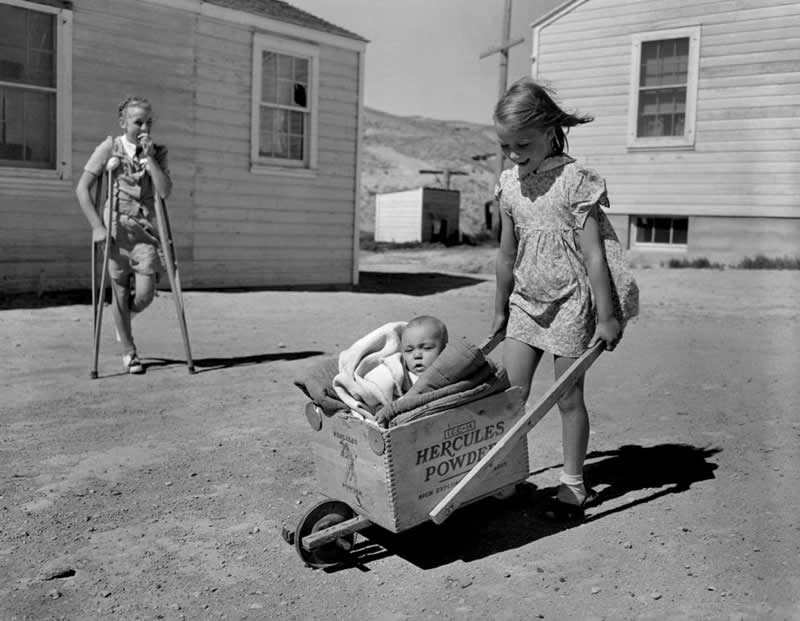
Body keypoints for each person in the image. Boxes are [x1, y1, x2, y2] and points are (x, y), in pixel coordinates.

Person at [490, 77, 639, 521]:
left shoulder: (575, 181)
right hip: (526, 304)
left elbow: (594, 255)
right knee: (509, 396)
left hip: (572, 305)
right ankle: (508, 475)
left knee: (567, 398)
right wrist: (500, 307)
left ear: (551, 130)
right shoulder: (509, 186)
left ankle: (573, 483)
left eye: (524, 143)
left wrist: (606, 317)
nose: (515, 154)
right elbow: (505, 252)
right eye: (506, 146)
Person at [75, 96, 173, 374]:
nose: (144, 128)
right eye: (137, 122)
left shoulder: (158, 151)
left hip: (144, 230)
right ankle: (129, 352)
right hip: (115, 228)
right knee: (118, 290)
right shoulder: (109, 147)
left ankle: (123, 320)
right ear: (123, 122)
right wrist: (97, 226)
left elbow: (164, 192)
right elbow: (82, 189)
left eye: (149, 122)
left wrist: (150, 159)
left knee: (145, 293)